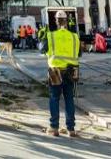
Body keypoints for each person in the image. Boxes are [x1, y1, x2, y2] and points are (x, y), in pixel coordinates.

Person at [43, 9, 81, 137]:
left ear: (56, 21)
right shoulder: (75, 36)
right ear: (66, 21)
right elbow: (79, 53)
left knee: (54, 98)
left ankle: (54, 127)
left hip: (55, 71)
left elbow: (42, 49)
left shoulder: (51, 35)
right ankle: (71, 129)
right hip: (70, 71)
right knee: (69, 98)